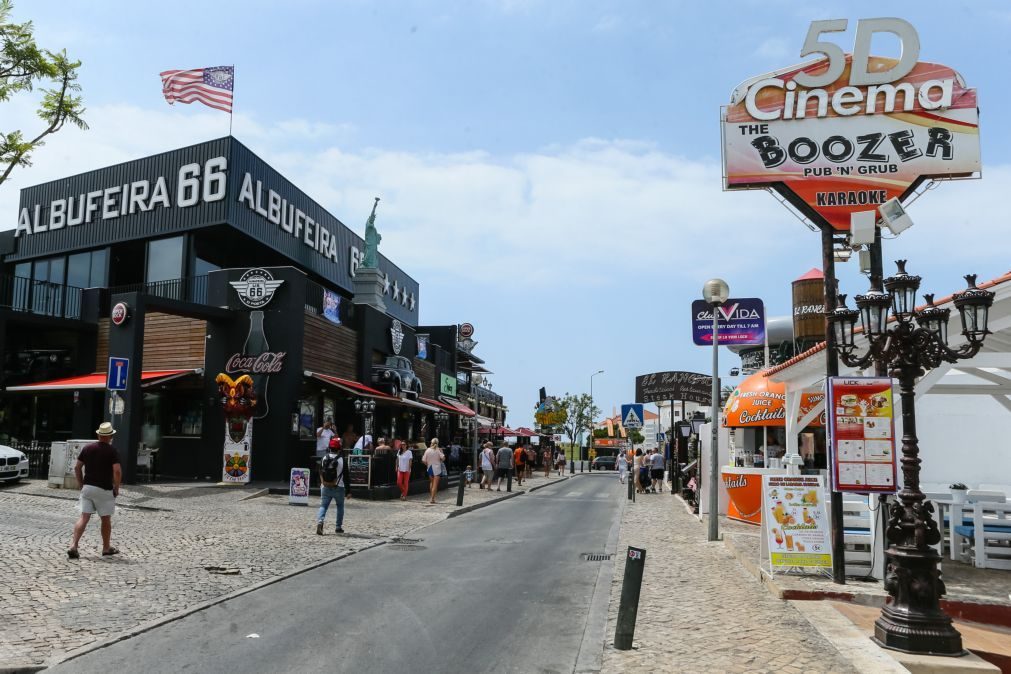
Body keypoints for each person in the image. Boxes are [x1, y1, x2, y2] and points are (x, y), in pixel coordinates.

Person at [68, 422, 122, 559]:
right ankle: (106, 548)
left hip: (88, 488)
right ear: (110, 436)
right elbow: (117, 471)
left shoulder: (87, 448)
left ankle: (73, 545)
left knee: (84, 517)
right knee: (105, 519)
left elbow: (77, 467)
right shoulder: (112, 451)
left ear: (98, 434)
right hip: (104, 489)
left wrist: (81, 484)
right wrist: (116, 487)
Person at [317, 438, 352, 534]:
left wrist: (322, 482)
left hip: (325, 487)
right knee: (340, 506)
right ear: (339, 449)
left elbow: (320, 471)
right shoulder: (342, 460)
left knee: (323, 506)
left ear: (330, 448)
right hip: (339, 487)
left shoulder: (324, 457)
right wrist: (348, 491)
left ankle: (320, 522)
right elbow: (346, 476)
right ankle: (338, 527)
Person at [422, 439, 445, 505]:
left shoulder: (427, 450)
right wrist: (442, 453)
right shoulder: (438, 450)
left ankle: (432, 497)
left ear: (431, 442)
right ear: (437, 443)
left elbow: (423, 460)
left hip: (429, 468)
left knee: (431, 483)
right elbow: (443, 458)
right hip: (437, 468)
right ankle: (432, 498)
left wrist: (427, 464)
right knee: (435, 484)